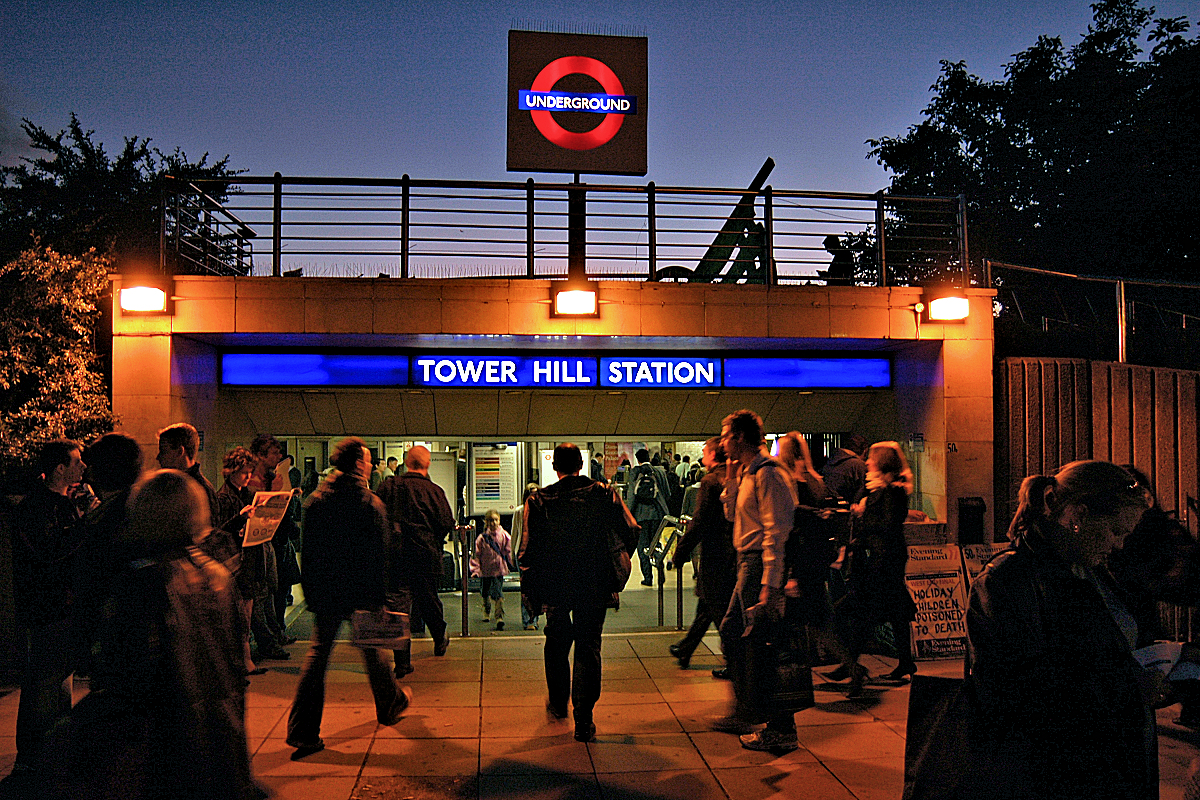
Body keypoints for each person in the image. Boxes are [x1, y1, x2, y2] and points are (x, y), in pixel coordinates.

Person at [43, 469, 261, 800]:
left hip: (164, 741)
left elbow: (126, 671)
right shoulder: (217, 577)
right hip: (217, 736)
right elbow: (232, 661)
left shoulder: (142, 582)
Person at [964, 460, 1154, 800]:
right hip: (1059, 774)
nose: (1119, 545)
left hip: (1107, 766)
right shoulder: (1008, 581)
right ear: (1078, 516)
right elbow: (1013, 692)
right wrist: (1125, 686)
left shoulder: (1089, 571)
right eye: (1115, 531)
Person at [287, 437, 410, 759]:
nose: (371, 465)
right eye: (368, 460)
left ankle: (303, 731)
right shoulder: (368, 502)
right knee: (372, 650)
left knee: (318, 658)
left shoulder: (316, 499)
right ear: (358, 464)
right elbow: (378, 555)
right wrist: (380, 598)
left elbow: (309, 552)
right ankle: (390, 703)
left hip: (326, 591)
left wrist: (311, 593)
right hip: (360, 591)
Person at [519, 443, 637, 742]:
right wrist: (617, 559)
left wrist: (532, 586)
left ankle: (559, 704)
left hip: (556, 584)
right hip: (594, 581)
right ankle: (584, 719)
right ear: (581, 465)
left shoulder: (539, 500)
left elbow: (527, 550)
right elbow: (631, 529)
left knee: (556, 640)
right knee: (588, 645)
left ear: (556, 467)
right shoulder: (603, 493)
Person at [712, 410, 804, 753]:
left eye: (724, 435)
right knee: (741, 636)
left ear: (738, 437)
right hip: (746, 563)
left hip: (757, 566)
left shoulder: (769, 473)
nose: (721, 443)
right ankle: (752, 711)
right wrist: (732, 480)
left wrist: (770, 583)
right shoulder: (748, 473)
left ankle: (776, 722)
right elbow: (732, 515)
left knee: (757, 641)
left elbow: (776, 533)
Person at [5, 440, 89, 786]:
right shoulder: (39, 508)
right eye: (77, 461)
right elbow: (49, 554)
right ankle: (35, 757)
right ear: (59, 468)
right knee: (45, 682)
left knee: (54, 682)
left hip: (58, 607)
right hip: (49, 608)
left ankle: (47, 752)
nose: (83, 467)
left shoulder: (58, 504)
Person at [826, 441, 917, 697]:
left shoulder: (892, 492)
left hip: (883, 561)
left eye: (871, 460)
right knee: (895, 610)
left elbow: (887, 525)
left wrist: (864, 514)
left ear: (882, 463)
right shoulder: (877, 489)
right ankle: (904, 662)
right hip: (881, 559)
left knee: (862, 614)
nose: (866, 462)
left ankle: (852, 665)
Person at [378, 445, 456, 678]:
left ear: (405, 462)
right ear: (427, 463)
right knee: (429, 600)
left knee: (399, 608)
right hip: (424, 555)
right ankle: (439, 638)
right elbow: (445, 522)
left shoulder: (388, 486)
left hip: (394, 557)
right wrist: (432, 539)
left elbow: (376, 517)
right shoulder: (433, 490)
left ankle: (402, 662)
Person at [73, 432, 143, 675]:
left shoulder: (107, 521)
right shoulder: (142, 509)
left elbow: (93, 584)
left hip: (116, 643)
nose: (86, 471)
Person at [668, 437, 737, 672]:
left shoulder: (710, 481)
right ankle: (686, 648)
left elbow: (699, 522)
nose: (702, 454)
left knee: (718, 609)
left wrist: (681, 552)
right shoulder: (733, 476)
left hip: (715, 553)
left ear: (714, 454)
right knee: (709, 604)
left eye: (705, 451)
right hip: (731, 552)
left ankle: (735, 662)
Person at [214, 446, 270, 674]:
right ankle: (241, 661)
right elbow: (219, 532)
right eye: (245, 472)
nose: (249, 476)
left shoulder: (245, 495)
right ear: (231, 471)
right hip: (234, 565)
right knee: (239, 616)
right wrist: (240, 519)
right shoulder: (224, 498)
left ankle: (244, 660)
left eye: (250, 471)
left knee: (246, 613)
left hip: (248, 561)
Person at [624, 447, 671, 586]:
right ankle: (660, 571)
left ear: (637, 460)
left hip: (640, 515)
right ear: (649, 459)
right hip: (657, 514)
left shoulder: (635, 472)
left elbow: (632, 496)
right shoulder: (659, 472)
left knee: (643, 546)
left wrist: (629, 514)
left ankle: (648, 577)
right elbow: (667, 493)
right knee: (655, 543)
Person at [471, 509, 513, 631]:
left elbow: (508, 550)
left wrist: (512, 562)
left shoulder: (504, 535)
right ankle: (486, 609)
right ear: (486, 522)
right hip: (485, 570)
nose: (493, 523)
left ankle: (499, 617)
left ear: (499, 521)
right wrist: (476, 570)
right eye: (491, 520)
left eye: (495, 520)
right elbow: (476, 555)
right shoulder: (482, 538)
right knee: (485, 591)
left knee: (498, 593)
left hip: (499, 569)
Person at [512, 482, 542, 630]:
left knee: (536, 587)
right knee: (526, 588)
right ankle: (529, 620)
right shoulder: (520, 511)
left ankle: (533, 618)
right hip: (523, 552)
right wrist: (512, 553)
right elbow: (515, 533)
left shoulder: (542, 510)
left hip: (537, 552)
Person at [820, 434, 867, 504]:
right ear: (865, 451)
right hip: (847, 509)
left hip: (826, 506)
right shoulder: (858, 465)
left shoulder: (830, 461)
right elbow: (860, 493)